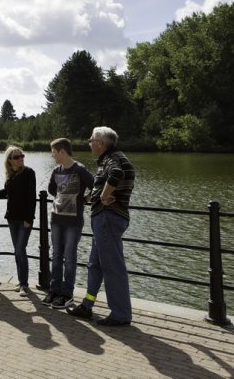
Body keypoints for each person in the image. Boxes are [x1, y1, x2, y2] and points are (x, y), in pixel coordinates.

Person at [67, 126, 136, 327]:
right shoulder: (114, 157)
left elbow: (115, 173)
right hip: (106, 218)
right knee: (94, 265)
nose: (89, 143)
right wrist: (95, 196)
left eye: (91, 140)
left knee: (113, 267)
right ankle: (87, 306)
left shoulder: (111, 159)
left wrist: (105, 196)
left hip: (108, 218)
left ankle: (121, 314)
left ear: (101, 143)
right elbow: (112, 178)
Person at [42, 138, 94, 310]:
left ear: (62, 152)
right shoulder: (56, 170)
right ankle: (54, 291)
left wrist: (86, 198)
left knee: (69, 257)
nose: (53, 155)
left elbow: (96, 185)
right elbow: (51, 189)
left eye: (54, 152)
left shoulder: (79, 169)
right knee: (56, 255)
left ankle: (67, 294)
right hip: (56, 219)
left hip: (73, 221)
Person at [0, 145, 36, 297]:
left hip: (24, 220)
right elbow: (6, 193)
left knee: (20, 250)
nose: (20, 159)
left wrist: (29, 219)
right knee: (18, 252)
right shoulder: (11, 175)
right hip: (12, 218)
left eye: (22, 156)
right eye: (16, 157)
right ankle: (21, 281)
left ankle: (24, 285)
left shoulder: (29, 173)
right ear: (9, 161)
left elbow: (32, 198)